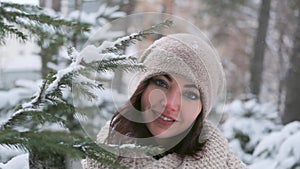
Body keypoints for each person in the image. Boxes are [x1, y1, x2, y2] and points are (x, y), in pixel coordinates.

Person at [82, 33, 247, 168]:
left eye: (190, 95)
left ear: (202, 109)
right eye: (161, 83)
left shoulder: (223, 165)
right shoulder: (98, 156)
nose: (170, 103)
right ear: (142, 88)